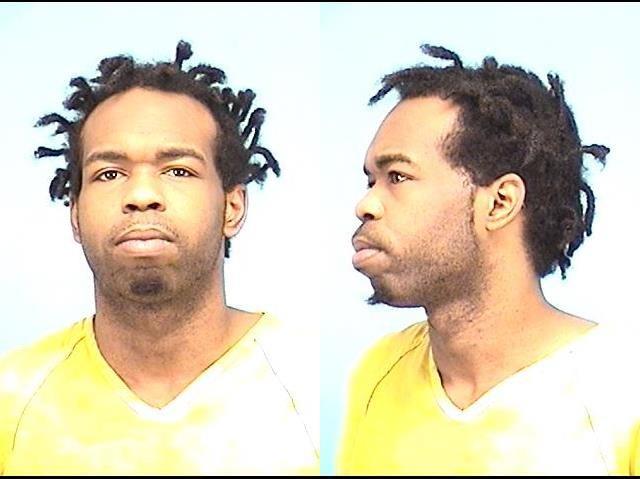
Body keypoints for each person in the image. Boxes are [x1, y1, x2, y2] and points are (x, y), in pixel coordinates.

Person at [0, 40, 318, 475]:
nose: (142, 194)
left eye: (178, 170)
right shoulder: (11, 398)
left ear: (232, 207)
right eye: (109, 173)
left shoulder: (312, 385)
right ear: (75, 214)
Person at [339, 44, 639, 474]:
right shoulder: (377, 373)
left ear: (499, 203)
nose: (366, 204)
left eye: (398, 177)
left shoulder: (623, 391)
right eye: (371, 180)